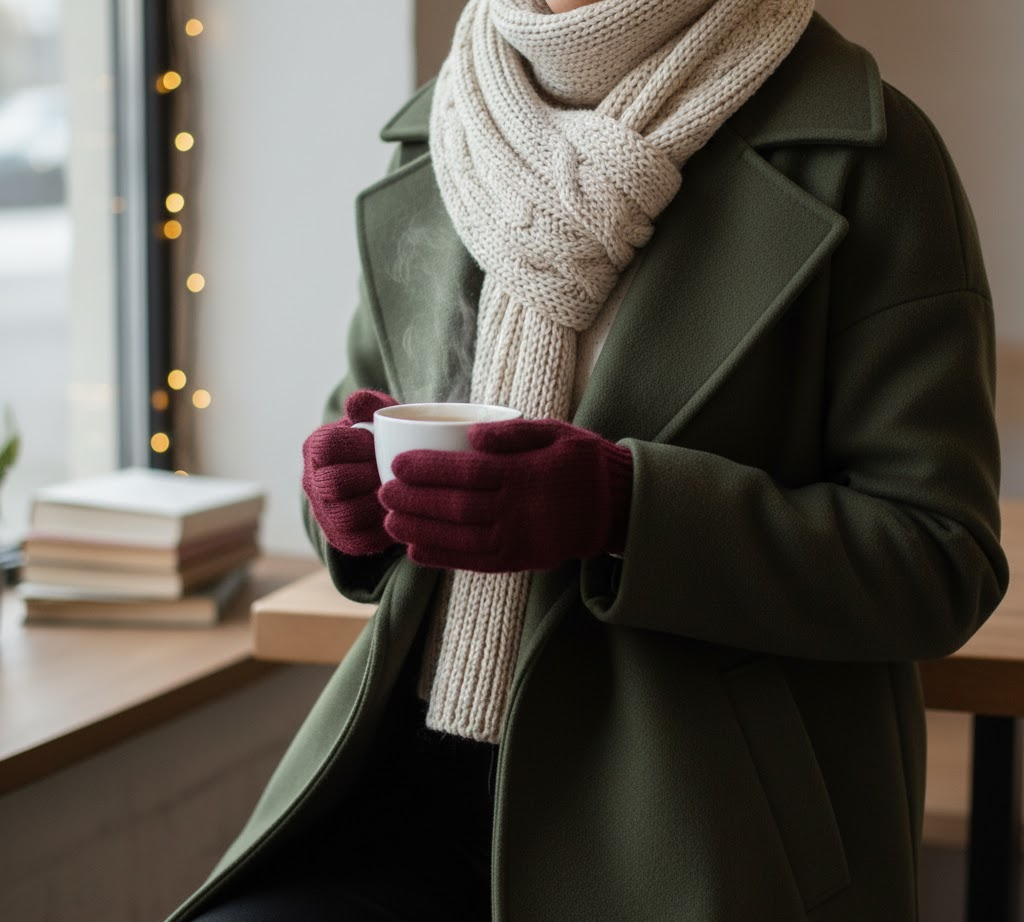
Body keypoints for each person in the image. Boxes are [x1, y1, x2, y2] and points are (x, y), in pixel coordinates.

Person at [169, 1, 1009, 920]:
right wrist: (345, 496)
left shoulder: (872, 157)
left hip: (690, 818)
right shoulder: (447, 133)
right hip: (400, 773)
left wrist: (623, 511)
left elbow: (939, 559)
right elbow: (359, 413)